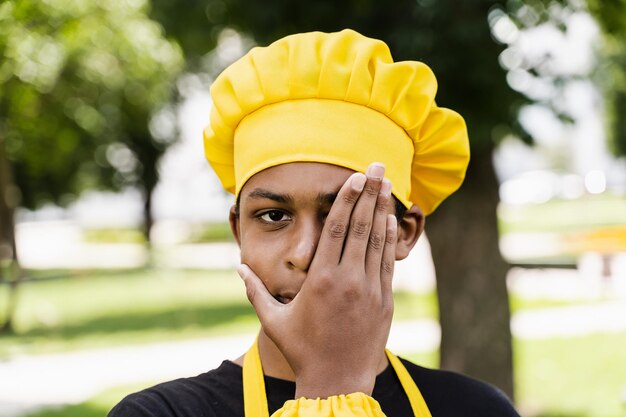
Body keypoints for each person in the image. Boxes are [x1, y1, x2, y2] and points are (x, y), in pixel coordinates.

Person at [109, 29, 520, 417]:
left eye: (342, 215)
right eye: (273, 216)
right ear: (238, 231)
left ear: (405, 232)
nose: (304, 253)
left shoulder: (473, 407)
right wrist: (331, 388)